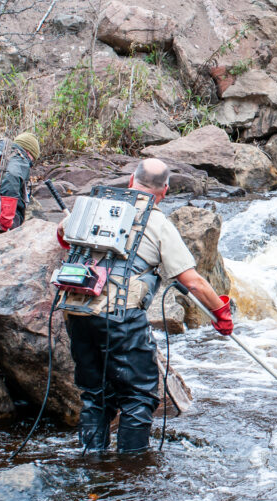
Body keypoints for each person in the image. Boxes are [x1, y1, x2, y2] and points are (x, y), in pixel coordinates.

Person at [57, 158, 234, 453]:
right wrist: (221, 313)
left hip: (77, 311)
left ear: (131, 180)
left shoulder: (93, 205)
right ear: (163, 191)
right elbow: (193, 282)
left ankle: (92, 463)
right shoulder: (158, 223)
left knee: (94, 396)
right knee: (138, 397)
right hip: (120, 318)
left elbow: (62, 236)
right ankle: (131, 468)